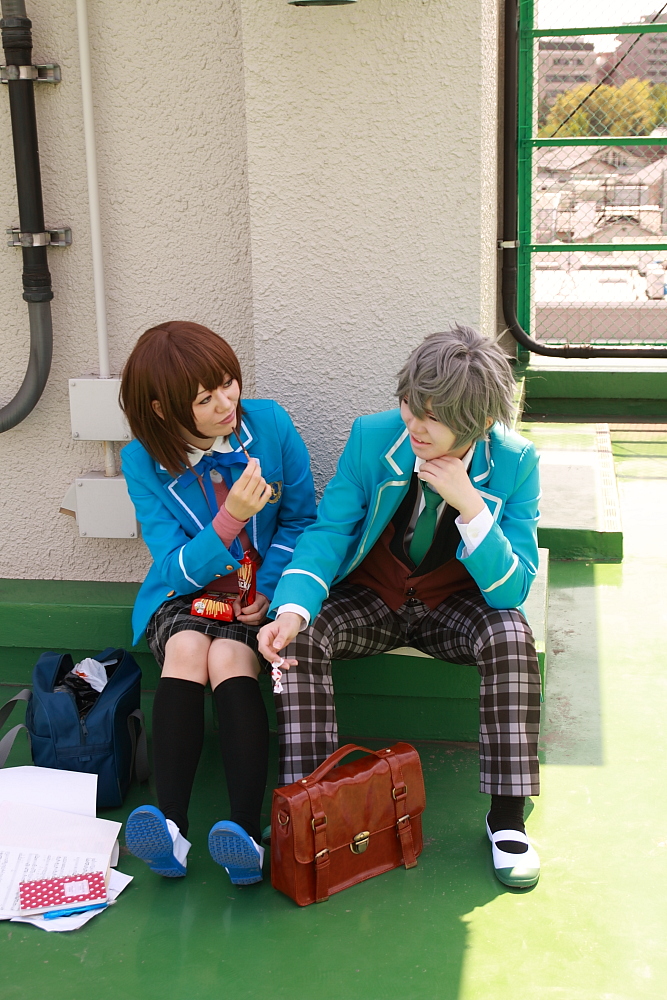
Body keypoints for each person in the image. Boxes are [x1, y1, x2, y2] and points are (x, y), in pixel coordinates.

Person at [258, 325, 542, 889]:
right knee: (301, 634)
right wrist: (290, 608)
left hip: (453, 605)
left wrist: (470, 505)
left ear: (479, 422)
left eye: (433, 417)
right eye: (411, 403)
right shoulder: (373, 438)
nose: (414, 423)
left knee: (511, 636)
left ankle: (508, 819)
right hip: (373, 598)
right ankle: (309, 809)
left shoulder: (515, 462)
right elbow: (329, 532)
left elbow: (511, 590)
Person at [119, 321, 316, 886]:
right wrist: (230, 520)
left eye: (228, 383)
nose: (227, 403)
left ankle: (245, 834)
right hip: (186, 593)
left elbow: (301, 519)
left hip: (256, 593)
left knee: (230, 659)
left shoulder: (269, 424)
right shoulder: (142, 462)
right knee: (186, 648)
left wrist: (269, 588)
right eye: (205, 399)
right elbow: (172, 567)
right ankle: (172, 828)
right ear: (162, 409)